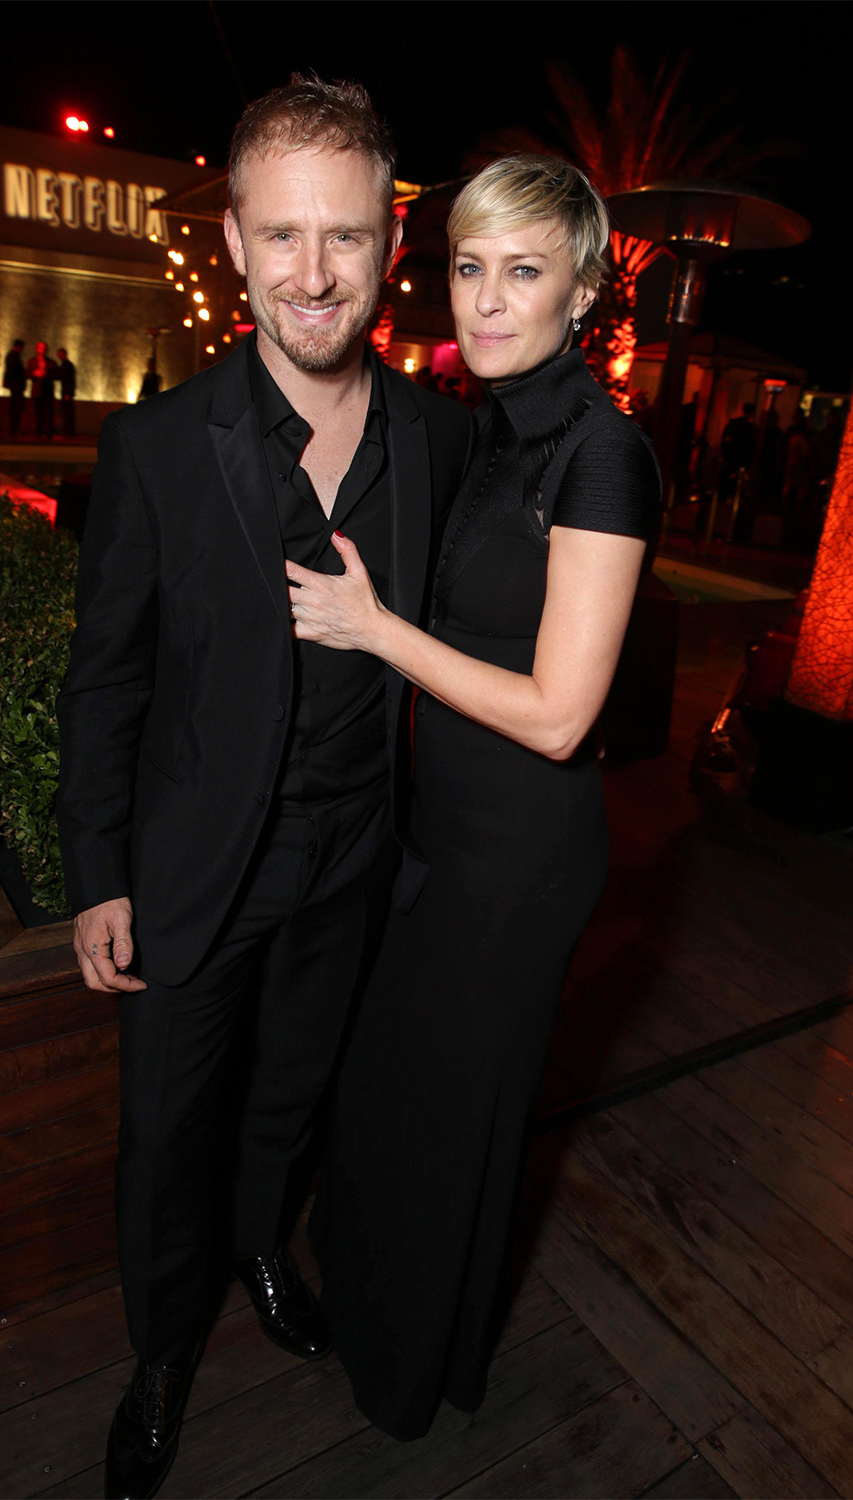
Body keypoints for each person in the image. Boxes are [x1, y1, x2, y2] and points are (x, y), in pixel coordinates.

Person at [55, 75, 470, 1500]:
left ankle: (257, 1248)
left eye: (344, 238)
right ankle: (160, 1351)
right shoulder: (159, 449)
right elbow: (104, 683)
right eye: (283, 236)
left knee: (289, 1097)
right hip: (191, 873)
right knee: (167, 1127)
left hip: (353, 858)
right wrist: (98, 870)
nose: (314, 274)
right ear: (233, 239)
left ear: (387, 245)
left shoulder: (433, 439)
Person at [288, 154, 660, 1441]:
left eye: (522, 271)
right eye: (465, 267)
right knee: (384, 1092)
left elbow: (560, 714)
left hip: (516, 859)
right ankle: (378, 1316)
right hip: (433, 832)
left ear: (582, 290)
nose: (487, 302)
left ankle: (407, 1377)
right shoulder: (490, 429)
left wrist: (373, 630)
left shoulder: (603, 459)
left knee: (444, 1118)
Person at [27, 340, 56, 437]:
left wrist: (45, 374)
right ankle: (38, 430)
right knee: (37, 412)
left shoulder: (51, 362)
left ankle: (47, 431)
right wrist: (34, 374)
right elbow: (27, 374)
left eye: (43, 348)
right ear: (36, 349)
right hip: (37, 391)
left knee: (47, 412)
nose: (42, 350)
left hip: (47, 391)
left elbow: (57, 375)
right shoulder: (31, 361)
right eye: (40, 348)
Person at [2, 337, 26, 436]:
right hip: (17, 386)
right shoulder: (14, 356)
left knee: (14, 407)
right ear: (19, 347)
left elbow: (8, 370)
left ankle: (14, 428)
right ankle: (15, 429)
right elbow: (13, 371)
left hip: (14, 385)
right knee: (16, 407)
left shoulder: (11, 355)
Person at [56, 347, 76, 437]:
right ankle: (68, 431)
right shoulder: (67, 364)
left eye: (60, 354)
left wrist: (68, 393)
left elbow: (69, 380)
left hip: (66, 392)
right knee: (67, 412)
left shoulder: (66, 365)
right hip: (67, 392)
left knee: (67, 413)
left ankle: (68, 431)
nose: (59, 356)